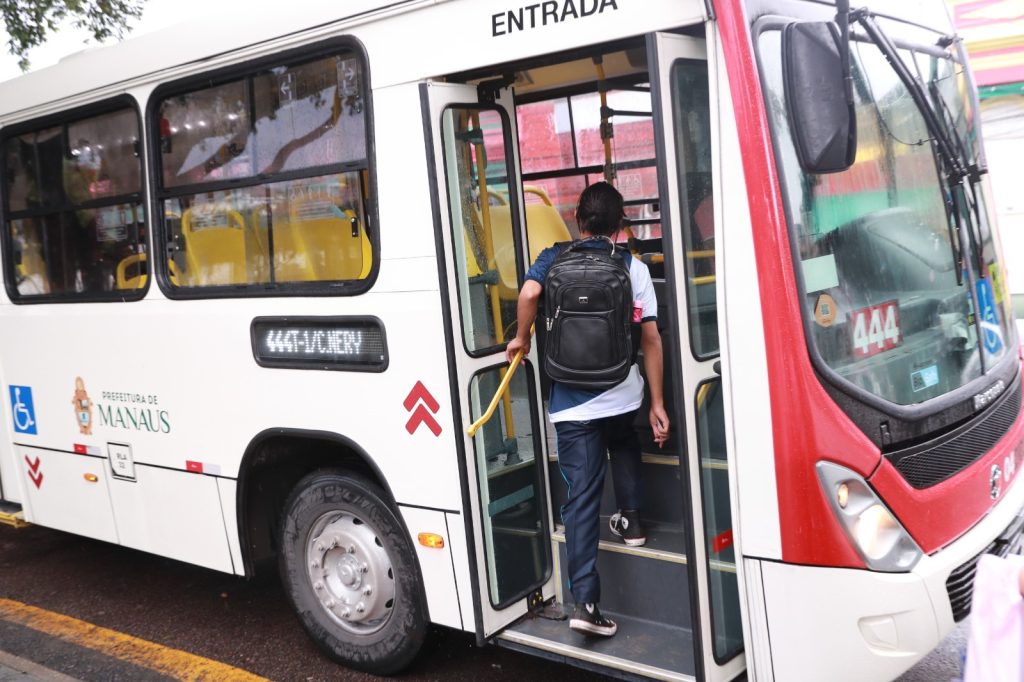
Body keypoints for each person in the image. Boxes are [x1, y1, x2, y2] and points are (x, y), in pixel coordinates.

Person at [506, 182, 670, 637]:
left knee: (582, 498)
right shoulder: (632, 267)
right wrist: (657, 404)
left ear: (577, 218)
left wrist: (521, 337)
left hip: (571, 403)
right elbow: (651, 339)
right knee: (623, 437)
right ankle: (632, 521)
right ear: (620, 224)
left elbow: (528, 295)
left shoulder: (552, 257)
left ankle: (586, 603)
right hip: (621, 392)